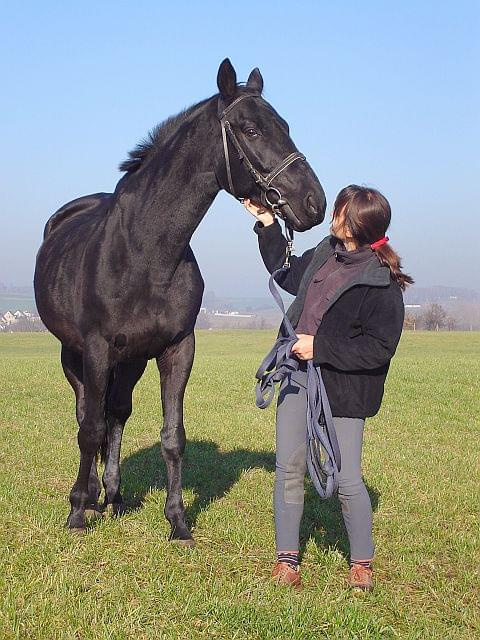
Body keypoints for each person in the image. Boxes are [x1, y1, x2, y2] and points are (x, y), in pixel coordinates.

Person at [244, 185, 412, 591]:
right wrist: (267, 223)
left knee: (348, 478)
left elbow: (378, 349)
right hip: (297, 377)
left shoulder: (381, 283)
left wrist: (320, 347)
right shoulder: (325, 253)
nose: (333, 215)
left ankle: (361, 564)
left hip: (343, 388)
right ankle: (287, 561)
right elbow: (286, 274)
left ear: (357, 222)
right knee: (288, 469)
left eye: (340, 210)